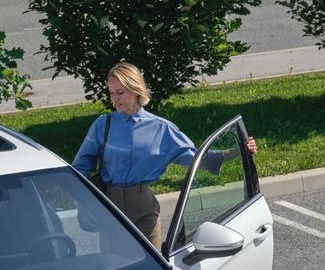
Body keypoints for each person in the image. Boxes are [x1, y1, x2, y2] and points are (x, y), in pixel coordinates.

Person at [71, 62, 256, 247]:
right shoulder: (103, 124)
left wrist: (239, 150)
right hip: (110, 208)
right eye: (111, 93)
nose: (114, 99)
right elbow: (81, 166)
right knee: (114, 266)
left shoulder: (161, 129)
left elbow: (198, 159)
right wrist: (83, 197)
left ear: (136, 90)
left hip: (144, 210)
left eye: (120, 92)